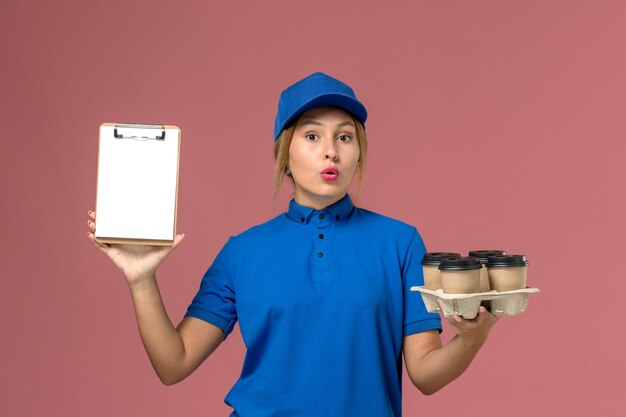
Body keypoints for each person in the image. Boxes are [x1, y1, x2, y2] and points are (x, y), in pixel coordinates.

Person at [87, 72, 499, 417]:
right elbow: (173, 363)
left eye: (344, 137)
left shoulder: (400, 243)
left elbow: (425, 374)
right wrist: (141, 279)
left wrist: (471, 338)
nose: (330, 152)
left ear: (359, 153)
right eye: (312, 136)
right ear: (285, 153)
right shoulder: (242, 252)